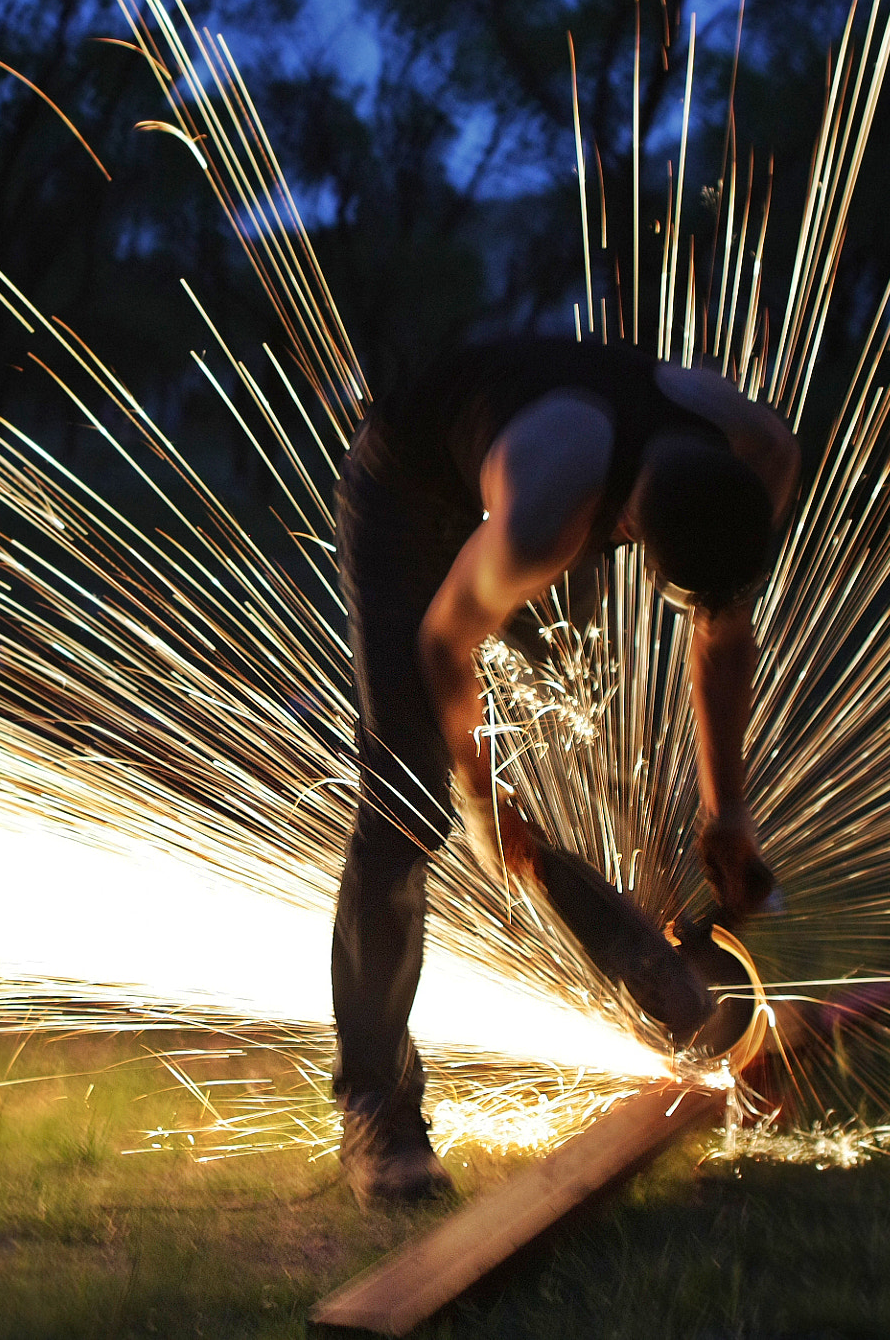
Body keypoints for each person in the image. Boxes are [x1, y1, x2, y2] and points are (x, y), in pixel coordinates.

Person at [330, 338, 798, 1206]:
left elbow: (722, 630)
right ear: (629, 531)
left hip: (511, 477)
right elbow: (444, 640)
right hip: (402, 489)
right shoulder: (554, 511)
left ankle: (635, 957)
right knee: (406, 797)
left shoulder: (761, 455)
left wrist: (729, 811)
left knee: (572, 724)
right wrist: (478, 799)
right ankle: (375, 1105)